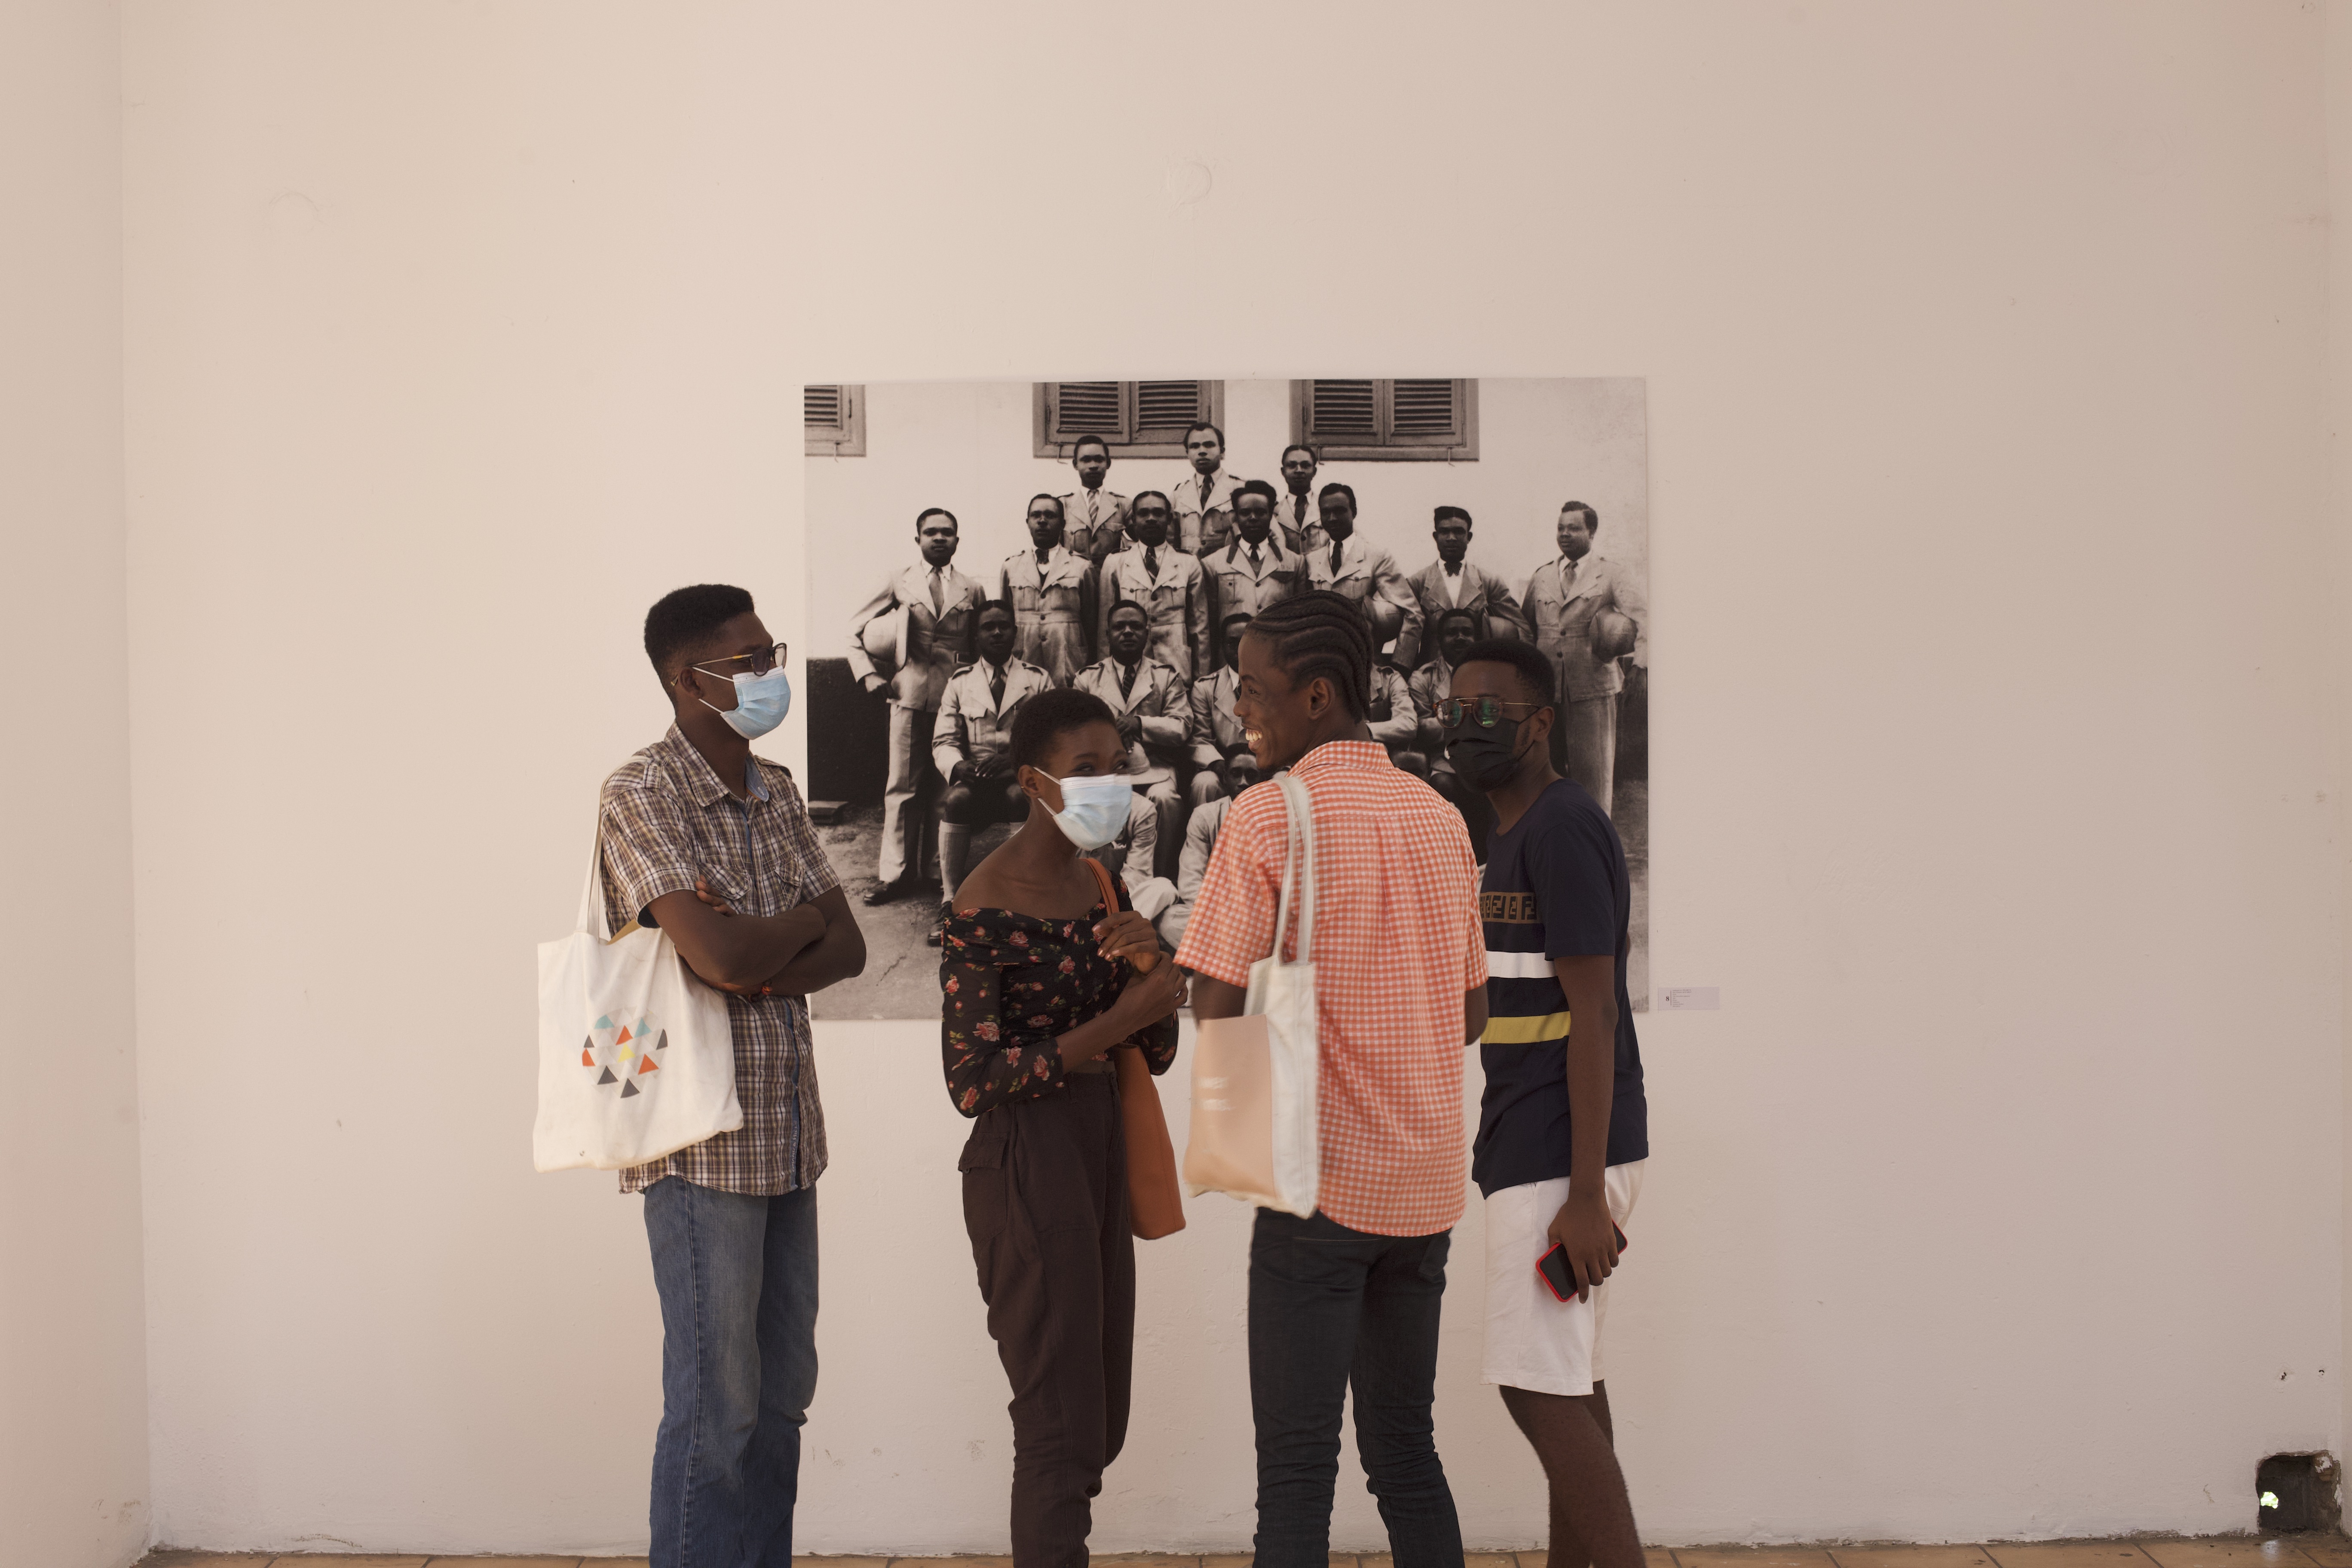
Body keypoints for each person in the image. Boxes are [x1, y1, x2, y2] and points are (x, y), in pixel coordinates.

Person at [1176, 591, 1488, 1568]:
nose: (1240, 711)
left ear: (1317, 695)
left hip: (1316, 1190)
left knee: (1297, 1472)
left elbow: (1214, 1001)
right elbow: (1472, 1014)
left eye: (1254, 692)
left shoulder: (1266, 815)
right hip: (1424, 1189)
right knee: (1404, 1451)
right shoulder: (1440, 817)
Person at [597, 585, 868, 1568]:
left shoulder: (778, 790)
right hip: (701, 1145)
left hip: (790, 1137)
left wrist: (767, 939)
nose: (770, 675)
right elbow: (714, 956)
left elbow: (848, 947)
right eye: (747, 662)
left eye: (772, 652)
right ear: (685, 679)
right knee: (716, 1409)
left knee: (783, 1399)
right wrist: (771, 933)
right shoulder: (640, 793)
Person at [939, 687, 1188, 1568]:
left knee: (1099, 1419)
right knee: (1057, 1422)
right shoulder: (985, 904)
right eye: (1087, 770)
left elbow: (1152, 1045)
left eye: (1118, 766)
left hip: (1096, 1140)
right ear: (1032, 781)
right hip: (1025, 1158)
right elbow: (971, 1082)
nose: (1111, 784)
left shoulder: (1098, 879)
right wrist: (1124, 1019)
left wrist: (1153, 975)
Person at [1439, 636, 1649, 1568]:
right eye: (1455, 709)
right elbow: (1498, 1008)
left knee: (1534, 1390)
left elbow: (1596, 1011)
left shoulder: (1563, 825)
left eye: (1489, 710)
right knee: (1568, 1379)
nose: (1466, 725)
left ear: (1539, 724)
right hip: (1538, 1147)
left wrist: (1584, 1193)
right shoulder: (1509, 838)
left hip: (1560, 1160)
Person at [847, 507, 989, 904]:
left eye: (947, 533)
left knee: (947, 787)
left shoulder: (972, 588)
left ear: (957, 541)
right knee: (903, 787)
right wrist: (870, 675)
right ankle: (895, 875)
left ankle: (937, 873)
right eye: (931, 532)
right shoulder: (898, 581)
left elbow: (979, 646)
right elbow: (853, 631)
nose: (939, 538)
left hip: (955, 699)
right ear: (918, 540)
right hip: (907, 694)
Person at [1523, 502, 1645, 815]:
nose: (1565, 534)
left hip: (1593, 687)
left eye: (1574, 528)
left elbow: (1646, 620)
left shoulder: (1612, 574)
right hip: (1545, 691)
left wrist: (1641, 666)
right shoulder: (1542, 575)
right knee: (1547, 774)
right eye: (1561, 528)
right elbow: (1525, 627)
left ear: (1592, 532)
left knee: (1594, 778)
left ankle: (1592, 842)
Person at [934, 604, 1055, 916]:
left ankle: (1021, 897)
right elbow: (944, 741)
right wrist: (958, 766)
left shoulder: (1038, 680)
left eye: (1004, 626)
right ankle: (950, 899)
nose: (997, 632)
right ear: (976, 637)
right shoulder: (960, 683)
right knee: (956, 799)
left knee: (1019, 796)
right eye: (989, 627)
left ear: (1016, 632)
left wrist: (1016, 762)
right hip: (978, 780)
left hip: (1023, 778)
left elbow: (1052, 738)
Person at [1070, 600, 1191, 880]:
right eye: (1119, 627)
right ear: (1108, 635)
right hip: (1104, 769)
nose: (1127, 632)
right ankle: (1100, 880)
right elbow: (1073, 730)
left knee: (1166, 799)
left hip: (1155, 767)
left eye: (1135, 626)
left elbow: (1182, 726)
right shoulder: (1088, 680)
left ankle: (1158, 877)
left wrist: (1138, 724)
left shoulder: (1166, 677)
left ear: (1147, 633)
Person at [1392, 505, 1528, 672]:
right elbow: (1407, 631)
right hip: (1432, 673)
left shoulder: (1488, 581)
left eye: (1458, 532)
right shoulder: (1417, 582)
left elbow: (1521, 627)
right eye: (1445, 532)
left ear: (1469, 537)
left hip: (1477, 670)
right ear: (1436, 537)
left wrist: (1523, 670)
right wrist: (1401, 671)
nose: (1451, 538)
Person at [1409, 608, 1496, 861]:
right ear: (1439, 640)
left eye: (1467, 632)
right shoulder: (1423, 678)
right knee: (1443, 786)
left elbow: (1497, 723)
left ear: (1476, 638)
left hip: (1483, 758)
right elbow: (1423, 729)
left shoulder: (1490, 676)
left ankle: (1489, 864)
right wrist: (1471, 719)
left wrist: (1449, 720)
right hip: (1443, 764)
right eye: (1451, 633)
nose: (1460, 638)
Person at [1098, 489, 1210, 680]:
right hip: (1129, 670)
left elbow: (1200, 629)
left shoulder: (1188, 563)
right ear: (1133, 519)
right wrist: (1106, 677)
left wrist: (1203, 681)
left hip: (1176, 668)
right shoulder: (1115, 563)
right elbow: (1105, 630)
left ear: (1170, 518)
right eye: (1143, 513)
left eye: (1158, 513)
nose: (1151, 519)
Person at [1303, 483, 1414, 668]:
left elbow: (1412, 612)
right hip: (1322, 663)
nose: (1333, 518)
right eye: (1326, 512)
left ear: (1354, 512)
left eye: (1340, 511)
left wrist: (1401, 664)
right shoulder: (1311, 561)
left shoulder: (1376, 556)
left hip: (1365, 662)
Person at [996, 492, 1098, 686]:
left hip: (1068, 661)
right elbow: (1005, 618)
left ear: (1063, 524)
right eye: (1036, 516)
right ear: (1028, 522)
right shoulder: (1012, 567)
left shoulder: (1081, 566)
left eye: (1050, 516)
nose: (1042, 521)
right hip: (1024, 658)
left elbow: (1091, 622)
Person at [1203, 480, 1305, 667]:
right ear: (1236, 516)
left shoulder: (1295, 562)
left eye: (1260, 512)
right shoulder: (1213, 564)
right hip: (1232, 660)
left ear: (1271, 515)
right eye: (1245, 513)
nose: (1253, 518)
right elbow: (1209, 623)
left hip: (1279, 658)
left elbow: (1300, 620)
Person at [1186, 609, 1259, 810]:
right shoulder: (1206, 688)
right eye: (1233, 643)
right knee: (1205, 783)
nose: (1240, 649)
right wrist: (1223, 767)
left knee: (1283, 779)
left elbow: (1283, 734)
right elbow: (1199, 739)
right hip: (1223, 768)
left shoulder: (1276, 686)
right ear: (1222, 647)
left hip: (1265, 765)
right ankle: (1206, 838)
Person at [1155, 791, 1228, 952]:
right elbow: (1191, 879)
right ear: (1225, 777)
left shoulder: (1273, 814)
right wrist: (1222, 914)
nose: (1243, 782)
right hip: (1215, 911)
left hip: (1255, 915)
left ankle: (1217, 961)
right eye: (1236, 774)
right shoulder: (1206, 815)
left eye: (1251, 776)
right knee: (1169, 922)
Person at [1170, 419, 1250, 555]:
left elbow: (1270, 535)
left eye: (1209, 445)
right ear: (1187, 453)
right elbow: (1169, 541)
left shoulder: (1242, 489)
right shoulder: (1179, 495)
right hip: (1190, 571)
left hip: (1229, 569)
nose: (1202, 451)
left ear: (1222, 451)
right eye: (1195, 446)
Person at [1059, 434, 1132, 563]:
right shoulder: (1062, 505)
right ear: (1076, 464)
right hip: (1075, 580)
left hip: (1111, 579)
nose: (1093, 465)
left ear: (1108, 463)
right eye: (1086, 460)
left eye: (1099, 460)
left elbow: (1141, 546)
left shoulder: (1123, 505)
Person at [1368, 659, 1423, 778]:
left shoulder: (1390, 678)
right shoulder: (1331, 677)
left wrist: (1367, 730)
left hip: (1379, 756)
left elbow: (1409, 723)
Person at [1276, 442, 1326, 552]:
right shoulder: (1273, 512)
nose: (1299, 470)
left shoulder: (1327, 507)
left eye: (1305, 465)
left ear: (1314, 472)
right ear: (1283, 472)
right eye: (1292, 465)